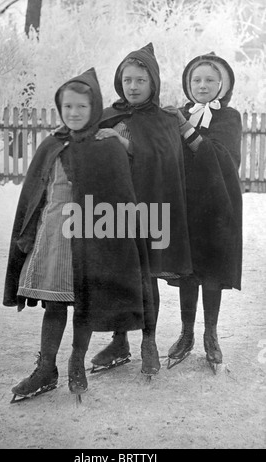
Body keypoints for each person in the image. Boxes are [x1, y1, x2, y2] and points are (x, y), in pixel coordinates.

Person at [3, 67, 157, 402]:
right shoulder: (52, 144)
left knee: (85, 302)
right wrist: (29, 236)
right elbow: (35, 196)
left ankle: (76, 360)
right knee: (53, 303)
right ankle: (46, 367)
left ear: (95, 109)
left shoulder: (105, 145)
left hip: (91, 238)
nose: (74, 113)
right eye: (67, 106)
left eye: (82, 107)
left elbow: (119, 198)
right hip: (54, 239)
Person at [91, 43, 193, 372]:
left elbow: (165, 160)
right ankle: (119, 342)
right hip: (113, 210)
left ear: (154, 83)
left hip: (149, 211)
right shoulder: (109, 114)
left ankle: (148, 341)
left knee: (145, 277)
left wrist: (123, 143)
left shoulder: (163, 119)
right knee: (117, 276)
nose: (132, 87)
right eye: (126, 80)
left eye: (139, 80)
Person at [165, 52, 243, 373]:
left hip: (218, 204)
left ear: (222, 85)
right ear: (188, 83)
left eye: (210, 79)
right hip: (186, 204)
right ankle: (186, 333)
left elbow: (220, 157)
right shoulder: (180, 113)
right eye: (196, 79)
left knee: (211, 270)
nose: (202, 85)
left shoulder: (229, 117)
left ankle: (211, 334)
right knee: (188, 270)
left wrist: (184, 128)